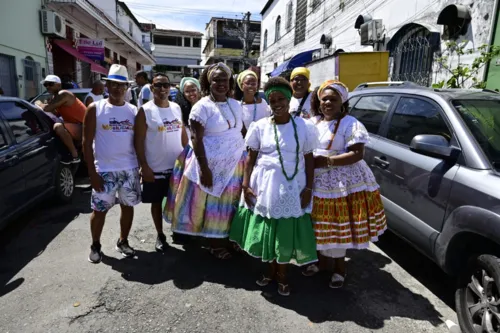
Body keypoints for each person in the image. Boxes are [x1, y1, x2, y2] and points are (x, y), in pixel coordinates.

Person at [229, 77, 319, 296]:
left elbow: (309, 160)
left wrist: (308, 189)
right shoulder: (259, 127)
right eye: (272, 100)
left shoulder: (304, 127)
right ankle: (270, 271)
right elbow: (250, 160)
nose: (277, 103)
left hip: (293, 186)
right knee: (269, 231)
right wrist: (245, 185)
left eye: (281, 99)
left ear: (289, 100)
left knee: (285, 233)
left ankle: (283, 275)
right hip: (265, 186)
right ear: (267, 103)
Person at [304, 80, 387, 288]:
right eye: (325, 99)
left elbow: (357, 153)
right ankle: (321, 262)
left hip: (341, 182)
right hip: (316, 180)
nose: (328, 103)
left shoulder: (351, 123)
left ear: (342, 102)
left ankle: (339, 268)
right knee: (318, 224)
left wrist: (328, 161)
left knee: (338, 227)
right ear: (319, 102)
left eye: (333, 99)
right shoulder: (314, 122)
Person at [164, 63, 245, 259]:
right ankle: (214, 242)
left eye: (224, 79)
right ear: (208, 81)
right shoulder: (202, 106)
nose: (220, 83)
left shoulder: (235, 104)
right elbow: (196, 139)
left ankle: (228, 238)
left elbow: (240, 131)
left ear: (230, 81)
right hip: (210, 163)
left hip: (235, 163)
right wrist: (205, 169)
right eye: (216, 79)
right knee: (212, 204)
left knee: (231, 202)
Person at [83, 64, 141, 264]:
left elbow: (139, 142)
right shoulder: (95, 108)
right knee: (99, 210)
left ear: (127, 88)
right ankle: (96, 245)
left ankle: (123, 241)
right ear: (106, 85)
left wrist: (140, 167)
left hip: (129, 169)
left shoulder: (134, 111)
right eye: (113, 84)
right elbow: (86, 142)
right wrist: (92, 172)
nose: (117, 88)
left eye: (121, 85)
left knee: (128, 206)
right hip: (104, 170)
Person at [134, 73, 188, 252]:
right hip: (155, 168)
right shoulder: (145, 111)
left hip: (177, 167)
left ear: (171, 87)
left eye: (166, 85)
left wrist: (189, 156)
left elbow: (181, 134)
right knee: (156, 203)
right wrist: (144, 166)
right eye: (158, 85)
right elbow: (138, 141)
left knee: (178, 201)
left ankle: (177, 230)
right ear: (152, 88)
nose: (163, 89)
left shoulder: (176, 108)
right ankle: (160, 234)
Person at [39, 74, 84, 164]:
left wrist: (38, 103)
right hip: (75, 126)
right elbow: (55, 113)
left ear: (59, 85)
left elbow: (47, 109)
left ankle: (74, 156)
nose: (48, 87)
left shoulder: (63, 94)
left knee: (58, 126)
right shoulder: (54, 98)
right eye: (45, 85)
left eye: (50, 84)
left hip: (84, 127)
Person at [236, 70, 271, 135]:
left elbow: (268, 122)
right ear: (241, 85)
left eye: (253, 84)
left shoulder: (262, 103)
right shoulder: (237, 105)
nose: (251, 86)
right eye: (248, 83)